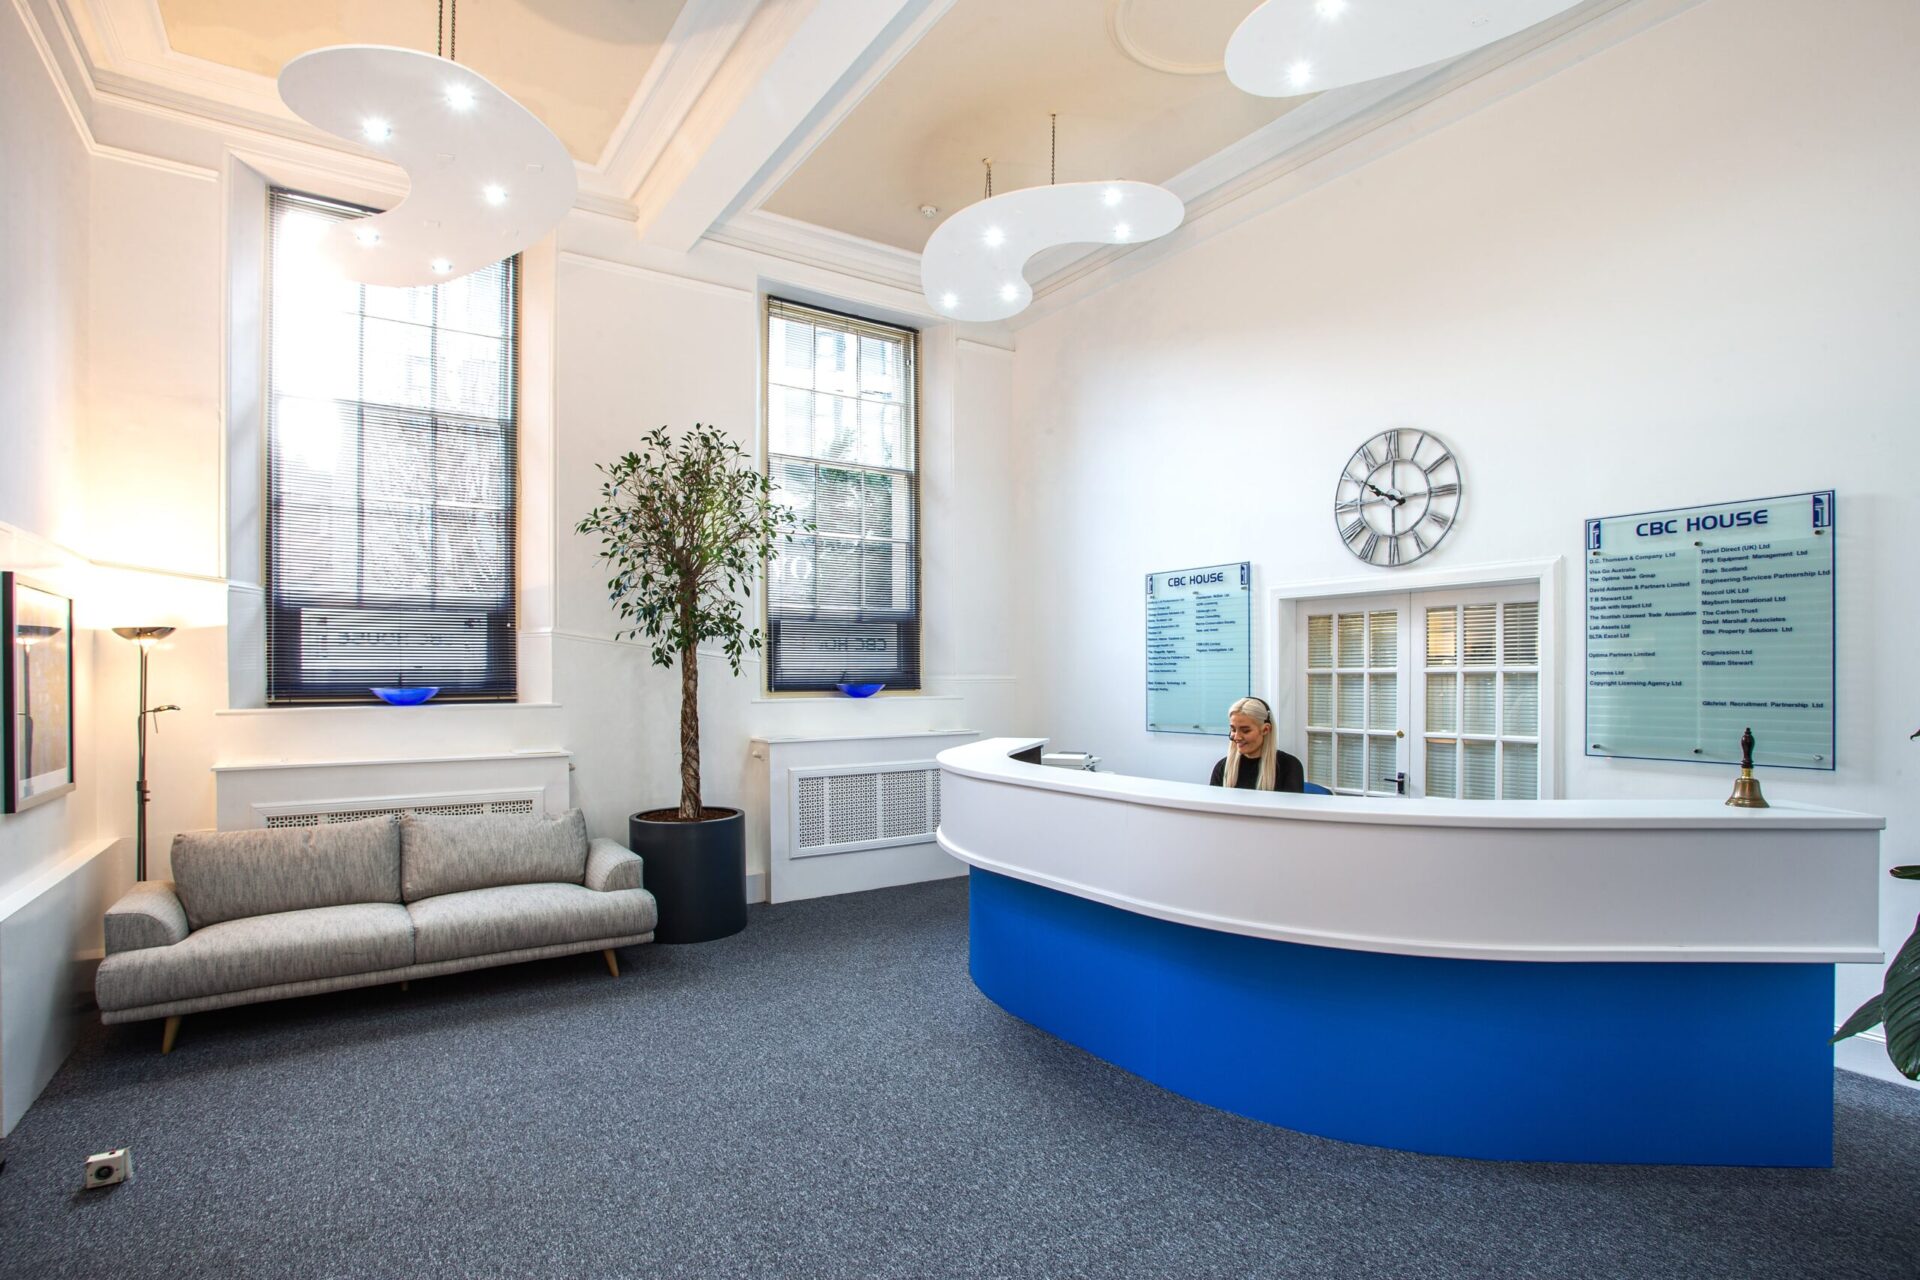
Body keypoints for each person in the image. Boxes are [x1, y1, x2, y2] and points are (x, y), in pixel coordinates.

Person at [1209, 696, 1306, 793]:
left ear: (1265, 729)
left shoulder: (1289, 766)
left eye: (1245, 731)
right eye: (1233, 730)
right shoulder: (1222, 767)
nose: (1237, 737)